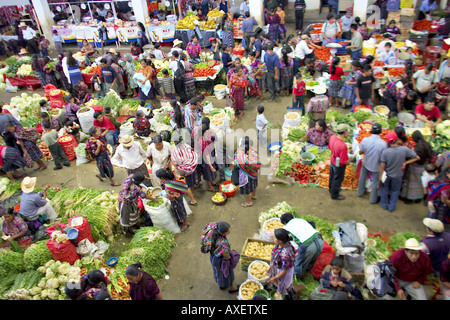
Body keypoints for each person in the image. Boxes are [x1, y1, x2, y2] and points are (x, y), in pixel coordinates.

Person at [379, 131, 420, 212]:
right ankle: (392, 207)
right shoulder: (404, 149)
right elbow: (417, 157)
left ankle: (384, 205)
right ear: (397, 139)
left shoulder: (385, 152)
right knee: (395, 191)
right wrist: (405, 163)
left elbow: (382, 165)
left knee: (384, 189)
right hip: (398, 175)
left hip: (387, 175)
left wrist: (380, 176)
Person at [280, 213, 324, 279]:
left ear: (284, 222)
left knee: (299, 262)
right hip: (319, 241)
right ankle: (308, 269)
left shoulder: (286, 228)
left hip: (308, 246)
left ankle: (297, 276)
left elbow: (293, 245)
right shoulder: (299, 220)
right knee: (313, 258)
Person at [357, 123, 388, 204]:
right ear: (380, 132)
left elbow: (361, 151)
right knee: (375, 182)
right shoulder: (384, 144)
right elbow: (383, 158)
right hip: (376, 165)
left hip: (366, 161)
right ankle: (373, 199)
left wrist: (364, 153)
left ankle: (360, 192)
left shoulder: (365, 140)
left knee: (362, 177)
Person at [401, 130, 434, 203]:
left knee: (411, 184)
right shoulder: (427, 144)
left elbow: (415, 158)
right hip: (423, 166)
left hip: (415, 167)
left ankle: (410, 198)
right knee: (419, 183)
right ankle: (418, 198)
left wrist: (406, 163)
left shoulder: (417, 147)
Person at [208, 221, 239, 293]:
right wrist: (232, 257)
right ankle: (231, 287)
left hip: (213, 257)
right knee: (226, 273)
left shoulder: (214, 232)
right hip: (220, 261)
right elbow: (226, 257)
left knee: (218, 272)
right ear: (223, 233)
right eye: (227, 230)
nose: (229, 231)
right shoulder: (223, 243)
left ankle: (221, 286)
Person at [171, 132, 199, 206]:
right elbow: (194, 155)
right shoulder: (187, 146)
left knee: (186, 185)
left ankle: (193, 200)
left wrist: (179, 166)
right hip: (191, 169)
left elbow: (175, 163)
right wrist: (190, 164)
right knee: (191, 181)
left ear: (174, 142)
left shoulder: (175, 151)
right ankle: (192, 192)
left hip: (183, 171)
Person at [268, 228, 296, 299]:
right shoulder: (283, 244)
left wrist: (276, 277)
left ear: (280, 241)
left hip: (283, 272)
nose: (273, 238)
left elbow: (285, 270)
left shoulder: (285, 254)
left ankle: (287, 296)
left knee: (284, 285)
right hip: (279, 268)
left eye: (274, 237)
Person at [233, 136, 261, 207]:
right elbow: (258, 163)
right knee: (254, 185)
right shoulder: (254, 151)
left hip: (246, 176)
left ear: (242, 145)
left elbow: (236, 163)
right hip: (254, 173)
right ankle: (254, 195)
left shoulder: (240, 155)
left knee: (248, 189)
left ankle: (249, 202)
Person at [328, 124, 350, 200]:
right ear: (344, 133)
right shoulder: (342, 145)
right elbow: (344, 161)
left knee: (332, 176)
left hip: (332, 160)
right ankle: (334, 195)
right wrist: (349, 162)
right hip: (339, 165)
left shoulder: (332, 137)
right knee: (337, 179)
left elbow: (329, 147)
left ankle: (331, 189)